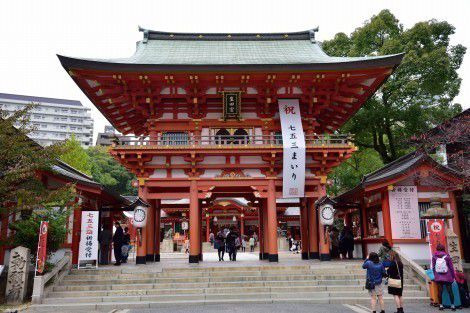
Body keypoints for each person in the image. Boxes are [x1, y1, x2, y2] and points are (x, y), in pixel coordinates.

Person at [432, 243, 456, 311]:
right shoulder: (447, 256)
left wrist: (435, 275)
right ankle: (453, 306)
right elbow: (451, 267)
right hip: (447, 276)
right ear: (443, 248)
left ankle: (441, 306)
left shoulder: (434, 256)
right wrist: (453, 276)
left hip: (438, 276)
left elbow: (433, 267)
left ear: (437, 249)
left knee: (440, 291)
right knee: (450, 291)